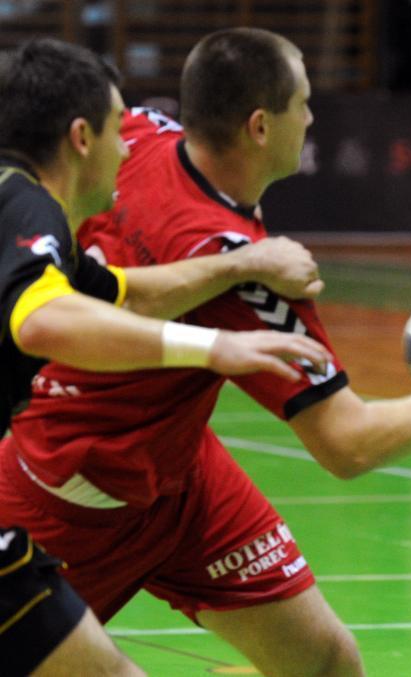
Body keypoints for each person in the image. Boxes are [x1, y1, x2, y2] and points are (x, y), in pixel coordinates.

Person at [0, 29, 411, 677]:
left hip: (185, 477)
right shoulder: (233, 271)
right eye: (302, 103)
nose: (311, 118)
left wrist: (239, 264)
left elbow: (116, 291)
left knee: (328, 661)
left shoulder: (137, 135)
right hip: (69, 491)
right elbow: (348, 442)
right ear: (260, 126)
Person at [0, 38, 333, 676]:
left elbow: (123, 294)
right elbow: (45, 320)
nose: (129, 148)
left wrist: (241, 263)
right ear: (80, 139)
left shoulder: (32, 215)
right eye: (115, 128)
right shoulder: (27, 209)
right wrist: (216, 346)